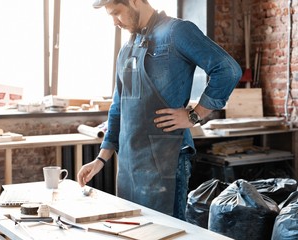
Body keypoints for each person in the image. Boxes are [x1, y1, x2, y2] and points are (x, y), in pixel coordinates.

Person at [77, 0, 242, 220]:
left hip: (166, 160)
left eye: (117, 13)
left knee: (165, 232)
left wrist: (195, 115)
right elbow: (119, 108)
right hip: (129, 164)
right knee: (132, 229)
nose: (115, 22)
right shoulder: (126, 49)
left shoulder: (177, 32)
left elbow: (227, 70)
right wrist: (101, 159)